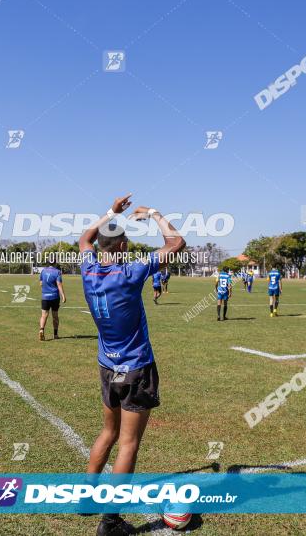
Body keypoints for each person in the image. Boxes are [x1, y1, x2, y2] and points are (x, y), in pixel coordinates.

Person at [78, 194, 184, 536]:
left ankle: (86, 499)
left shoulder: (87, 266)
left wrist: (111, 212)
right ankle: (109, 522)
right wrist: (152, 212)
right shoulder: (131, 270)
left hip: (107, 365)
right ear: (123, 246)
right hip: (136, 367)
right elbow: (177, 242)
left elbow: (84, 238)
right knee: (128, 444)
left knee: (107, 432)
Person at [38, 262, 65, 341]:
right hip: (54, 297)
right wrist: (63, 296)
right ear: (55, 263)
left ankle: (41, 330)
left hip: (45, 297)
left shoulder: (43, 271)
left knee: (44, 315)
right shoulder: (57, 272)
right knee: (55, 316)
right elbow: (59, 284)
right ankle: (55, 334)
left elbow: (41, 283)